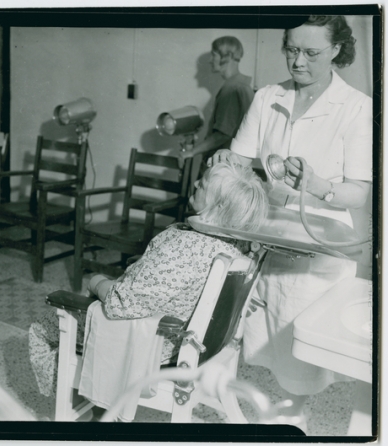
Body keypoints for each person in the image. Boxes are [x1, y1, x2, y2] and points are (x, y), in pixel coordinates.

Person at [210, 16, 372, 433]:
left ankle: (292, 414)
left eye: (311, 53)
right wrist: (224, 161)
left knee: (298, 340)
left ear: (336, 50)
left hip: (318, 240)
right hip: (263, 231)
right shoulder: (267, 97)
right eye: (292, 50)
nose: (298, 62)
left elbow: (360, 191)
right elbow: (241, 158)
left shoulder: (356, 107)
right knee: (248, 323)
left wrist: (319, 185)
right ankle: (231, 398)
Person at [28, 161, 268, 402]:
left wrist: (97, 282)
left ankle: (70, 405)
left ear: (220, 203)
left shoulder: (184, 248)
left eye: (203, 184)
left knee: (43, 328)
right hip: (188, 338)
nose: (195, 184)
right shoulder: (235, 246)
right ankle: (91, 399)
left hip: (152, 344)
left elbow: (121, 304)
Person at [178, 36, 254, 181]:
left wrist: (191, 152)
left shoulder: (232, 89)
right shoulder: (243, 86)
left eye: (214, 55)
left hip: (220, 169)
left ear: (227, 57)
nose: (210, 60)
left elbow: (223, 134)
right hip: (231, 168)